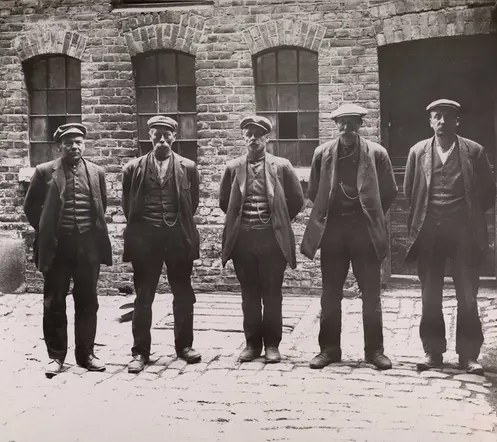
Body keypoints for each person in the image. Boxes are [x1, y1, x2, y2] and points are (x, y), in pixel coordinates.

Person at [301, 104, 398, 370]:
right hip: (333, 232)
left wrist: (370, 213)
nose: (347, 128)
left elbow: (389, 191)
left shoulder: (377, 154)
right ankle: (329, 350)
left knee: (371, 294)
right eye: (342, 123)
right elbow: (314, 192)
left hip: (364, 233)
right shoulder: (322, 154)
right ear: (336, 125)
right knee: (330, 293)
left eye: (352, 123)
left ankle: (374, 351)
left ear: (360, 125)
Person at [404, 99, 496, 375]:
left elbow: (488, 193)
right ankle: (433, 353)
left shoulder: (474, 151)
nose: (442, 121)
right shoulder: (417, 152)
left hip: (464, 233)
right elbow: (411, 192)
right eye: (437, 116)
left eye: (448, 116)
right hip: (430, 232)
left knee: (467, 295)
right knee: (430, 295)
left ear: (457, 121)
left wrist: (466, 217)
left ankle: (468, 355)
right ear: (430, 122)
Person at [23, 123, 112, 378]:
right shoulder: (44, 171)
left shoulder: (96, 172)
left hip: (87, 247)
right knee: (54, 302)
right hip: (58, 247)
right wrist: (47, 230)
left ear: (84, 144)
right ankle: (56, 356)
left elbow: (101, 205)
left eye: (79, 142)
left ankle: (86, 355)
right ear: (59, 146)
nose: (74, 147)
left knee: (88, 301)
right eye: (69, 142)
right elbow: (31, 207)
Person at [219, 116, 304, 363]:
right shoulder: (232, 167)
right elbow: (225, 202)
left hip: (272, 240)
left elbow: (297, 201)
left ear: (267, 137)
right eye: (249, 134)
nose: (253, 139)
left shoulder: (282, 166)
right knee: (249, 294)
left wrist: (277, 220)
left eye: (258, 134)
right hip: (243, 240)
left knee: (272, 293)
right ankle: (252, 344)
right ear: (243, 137)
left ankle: (273, 345)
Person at [122, 115, 201, 373]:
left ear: (174, 137)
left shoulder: (188, 167)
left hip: (178, 240)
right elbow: (128, 206)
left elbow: (192, 203)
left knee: (183, 294)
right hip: (146, 243)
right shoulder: (133, 169)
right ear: (150, 137)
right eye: (157, 136)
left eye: (167, 136)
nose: (162, 141)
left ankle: (184, 346)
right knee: (144, 297)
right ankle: (140, 352)